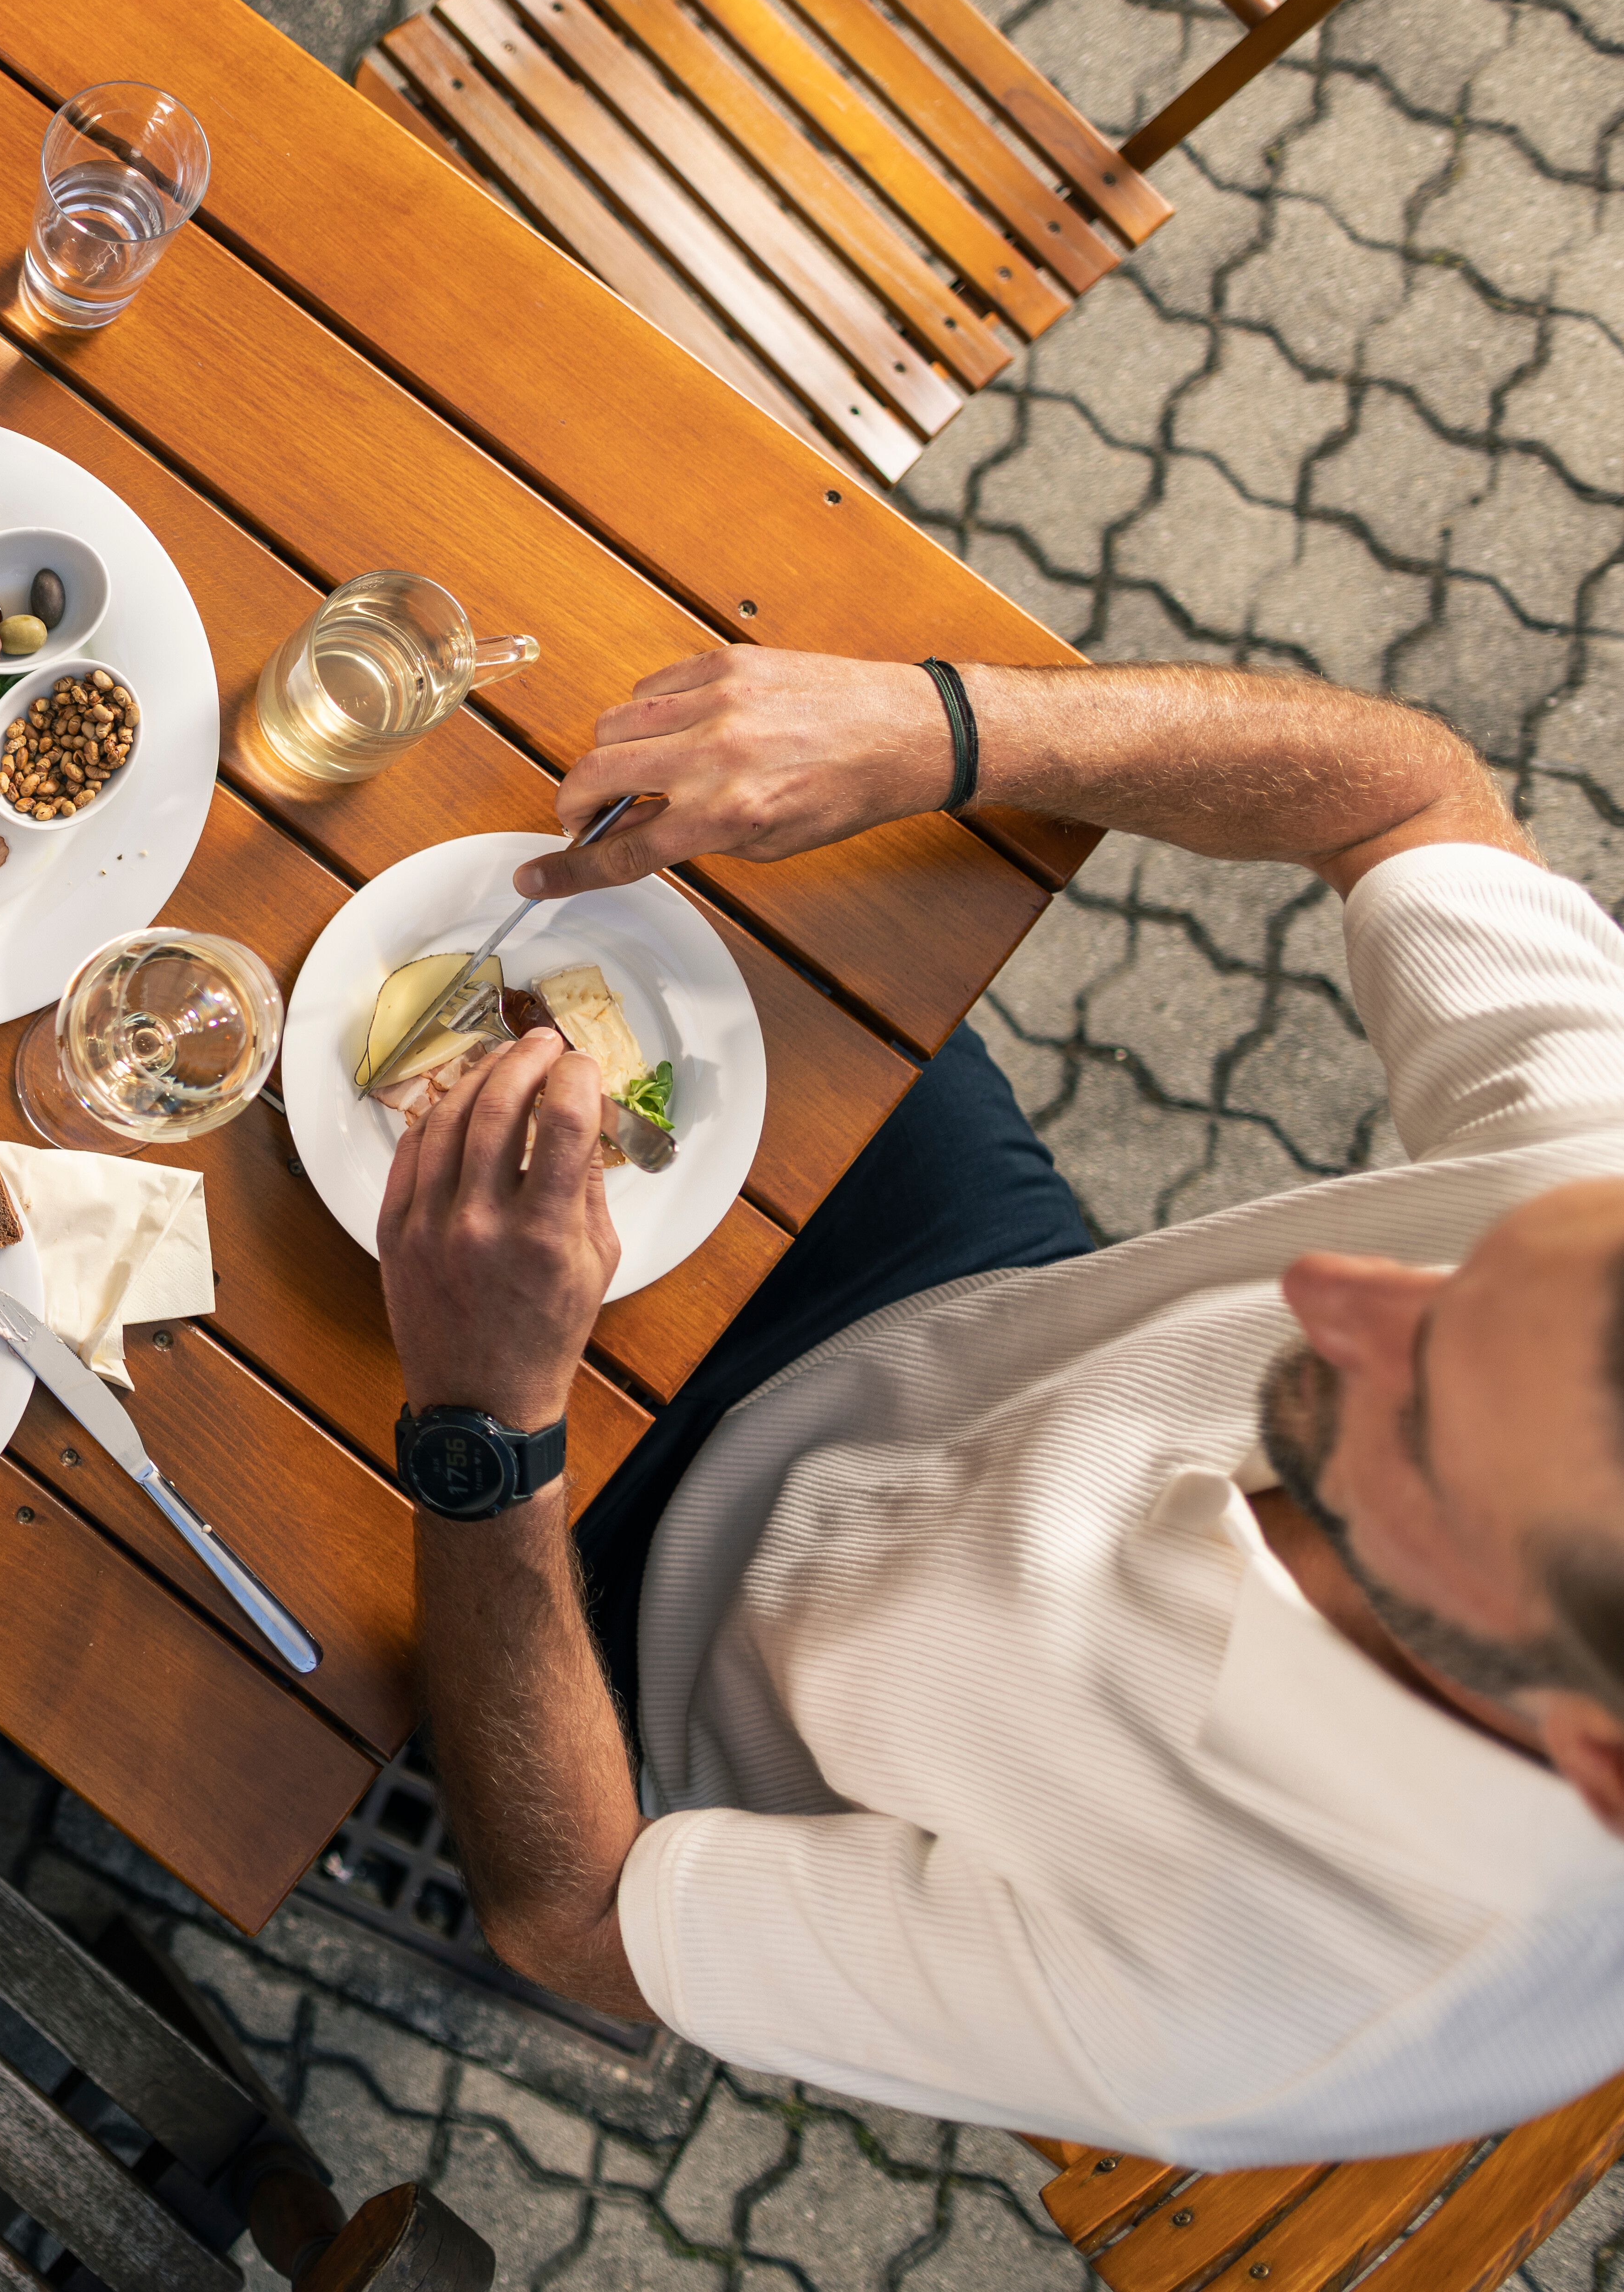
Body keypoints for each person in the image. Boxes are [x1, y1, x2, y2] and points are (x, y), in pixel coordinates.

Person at [380, 645, 1624, 2166]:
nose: (1333, 1295)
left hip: (628, 1619)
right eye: (1463, 1271)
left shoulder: (1253, 2012)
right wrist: (951, 728)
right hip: (955, 1294)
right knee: (533, 807)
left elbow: (571, 1921)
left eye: (1415, 1421)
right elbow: (1410, 799)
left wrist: (489, 1427)